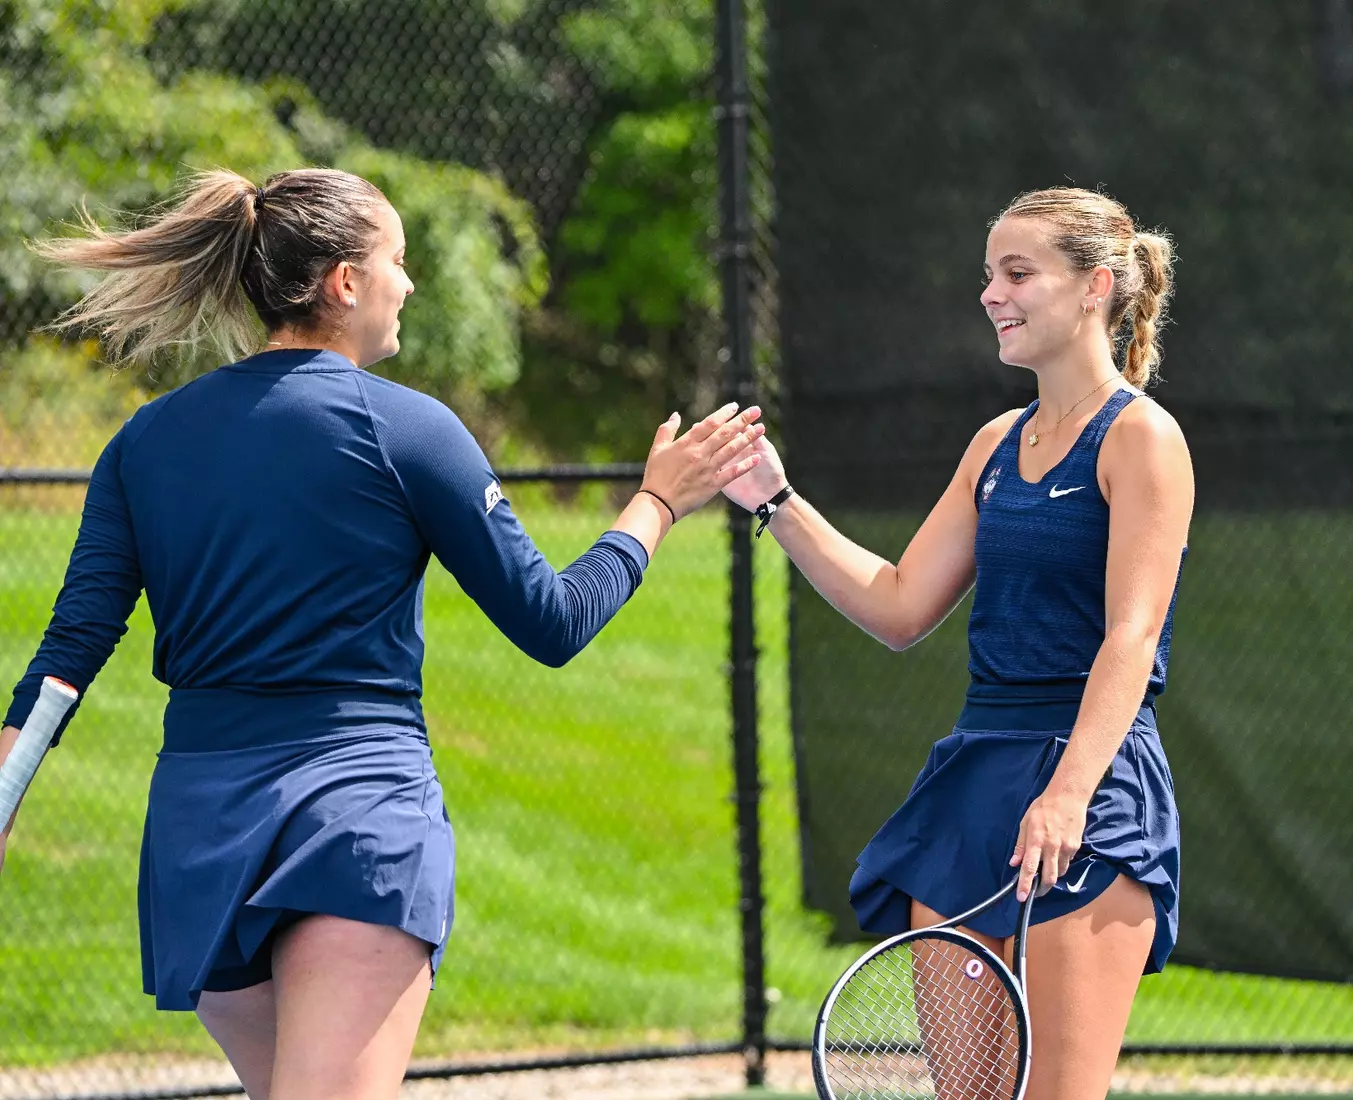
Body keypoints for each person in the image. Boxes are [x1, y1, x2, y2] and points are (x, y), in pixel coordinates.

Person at [0, 167, 763, 1100]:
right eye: (399, 261)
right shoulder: (410, 429)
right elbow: (555, 622)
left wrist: (4, 792)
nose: (411, 283)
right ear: (346, 283)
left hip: (200, 837)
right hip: (352, 814)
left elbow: (67, 656)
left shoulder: (145, 440)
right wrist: (656, 502)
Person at [723, 186, 1192, 1099]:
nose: (991, 294)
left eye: (1018, 273)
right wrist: (775, 502)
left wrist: (1066, 797)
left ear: (1096, 286)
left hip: (1089, 793)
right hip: (973, 787)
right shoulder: (993, 445)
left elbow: (1131, 638)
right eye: (989, 274)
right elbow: (898, 605)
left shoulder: (1142, 439)